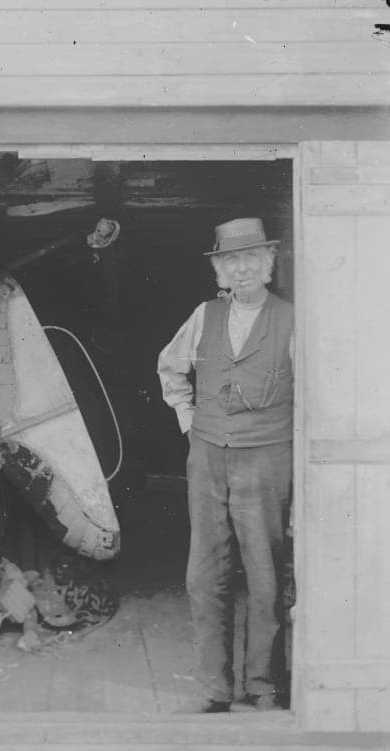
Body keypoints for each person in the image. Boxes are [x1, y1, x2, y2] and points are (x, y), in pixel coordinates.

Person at [157, 217, 293, 713]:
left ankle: (262, 685)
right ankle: (215, 687)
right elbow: (170, 365)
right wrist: (188, 420)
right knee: (205, 573)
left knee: (265, 575)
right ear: (220, 269)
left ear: (268, 264)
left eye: (252, 259)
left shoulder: (290, 319)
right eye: (231, 260)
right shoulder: (205, 315)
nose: (242, 269)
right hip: (208, 457)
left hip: (267, 460)